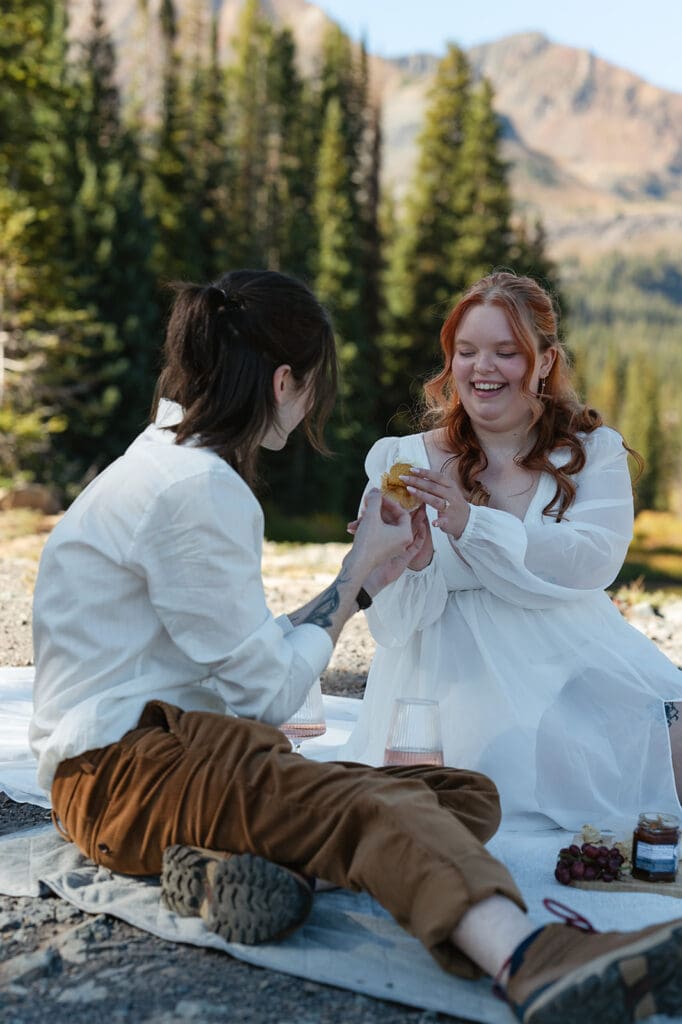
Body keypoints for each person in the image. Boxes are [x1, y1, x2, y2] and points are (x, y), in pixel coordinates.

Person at [29, 270, 682, 1022]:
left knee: (462, 793)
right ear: (283, 382)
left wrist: (368, 578)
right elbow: (269, 693)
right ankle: (533, 956)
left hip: (172, 748)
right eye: (313, 385)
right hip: (131, 765)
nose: (313, 404)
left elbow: (245, 659)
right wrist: (357, 574)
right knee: (371, 805)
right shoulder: (198, 489)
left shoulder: (171, 467)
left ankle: (231, 872)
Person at [342, 270, 682, 832]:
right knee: (493, 806)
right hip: (447, 692)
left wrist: (471, 523)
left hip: (571, 668)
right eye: (467, 351)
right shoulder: (400, 458)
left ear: (545, 360)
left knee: (662, 759)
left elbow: (593, 561)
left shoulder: (595, 451)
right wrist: (416, 562)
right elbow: (394, 623)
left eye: (507, 352)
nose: (483, 368)